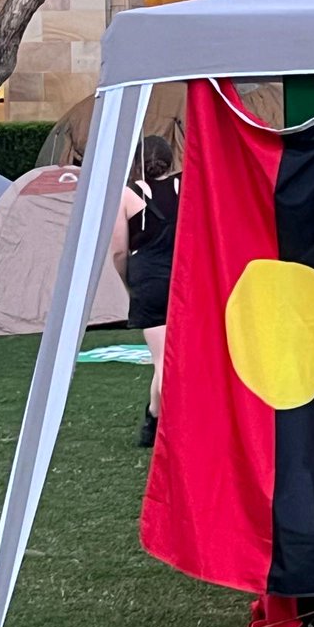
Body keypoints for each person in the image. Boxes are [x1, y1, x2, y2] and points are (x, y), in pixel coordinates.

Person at [111, 135, 180, 447]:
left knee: (162, 361)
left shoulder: (127, 195)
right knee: (177, 359)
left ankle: (161, 423)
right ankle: (155, 419)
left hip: (149, 280)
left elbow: (118, 252)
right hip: (184, 278)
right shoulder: (186, 186)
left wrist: (129, 282)